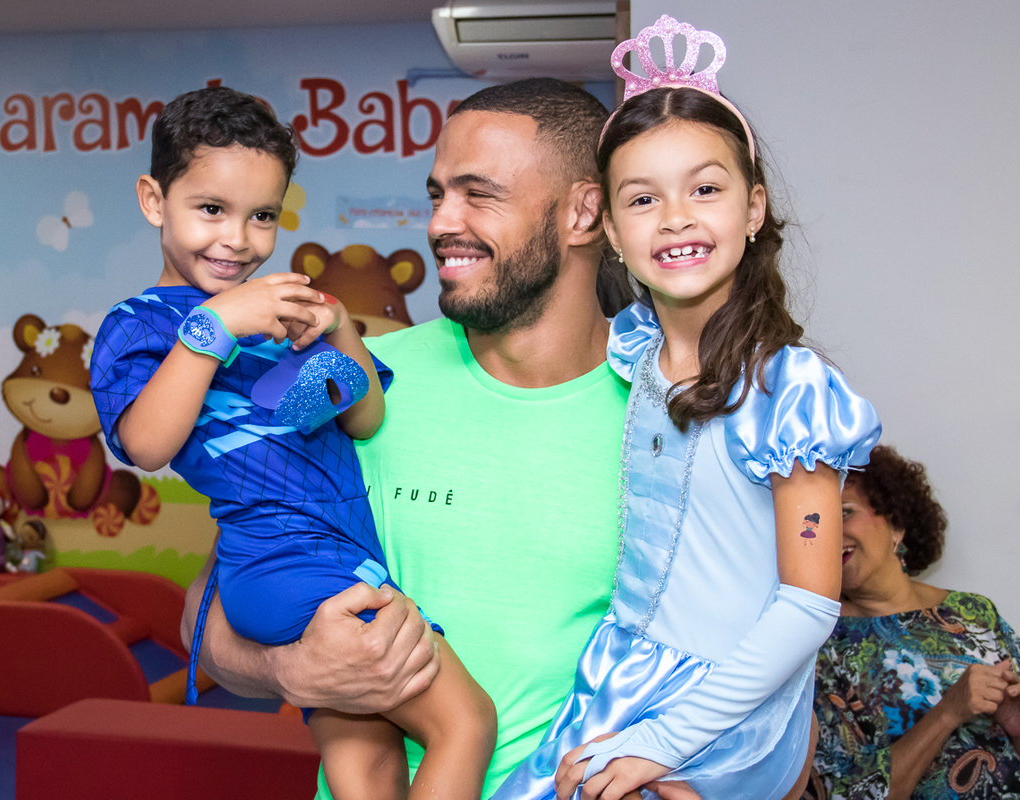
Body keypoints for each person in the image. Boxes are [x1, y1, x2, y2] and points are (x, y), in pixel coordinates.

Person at [180, 79, 715, 799]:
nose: (440, 223)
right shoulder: (352, 384)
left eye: (478, 194)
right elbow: (203, 607)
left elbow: (745, 662)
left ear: (584, 212)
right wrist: (288, 670)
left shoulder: (674, 416)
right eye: (437, 195)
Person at [492, 17, 882, 800]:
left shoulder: (792, 390)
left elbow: (809, 604)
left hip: (727, 707)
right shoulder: (633, 355)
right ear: (609, 228)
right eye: (644, 198)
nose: (676, 217)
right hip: (622, 676)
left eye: (706, 188)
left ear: (754, 207)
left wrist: (663, 741)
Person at [90, 86, 495, 800]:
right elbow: (146, 445)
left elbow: (364, 419)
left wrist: (337, 328)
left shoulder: (277, 318)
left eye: (262, 216)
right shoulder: (141, 324)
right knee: (466, 722)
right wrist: (217, 324)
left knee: (367, 766)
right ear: (154, 201)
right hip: (290, 564)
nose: (237, 239)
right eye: (211, 209)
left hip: (337, 554)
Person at [805, 445, 1020, 800]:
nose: (828, 534)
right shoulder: (821, 646)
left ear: (896, 523)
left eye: (844, 513)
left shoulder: (973, 612)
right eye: (815, 523)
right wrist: (948, 712)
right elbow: (841, 791)